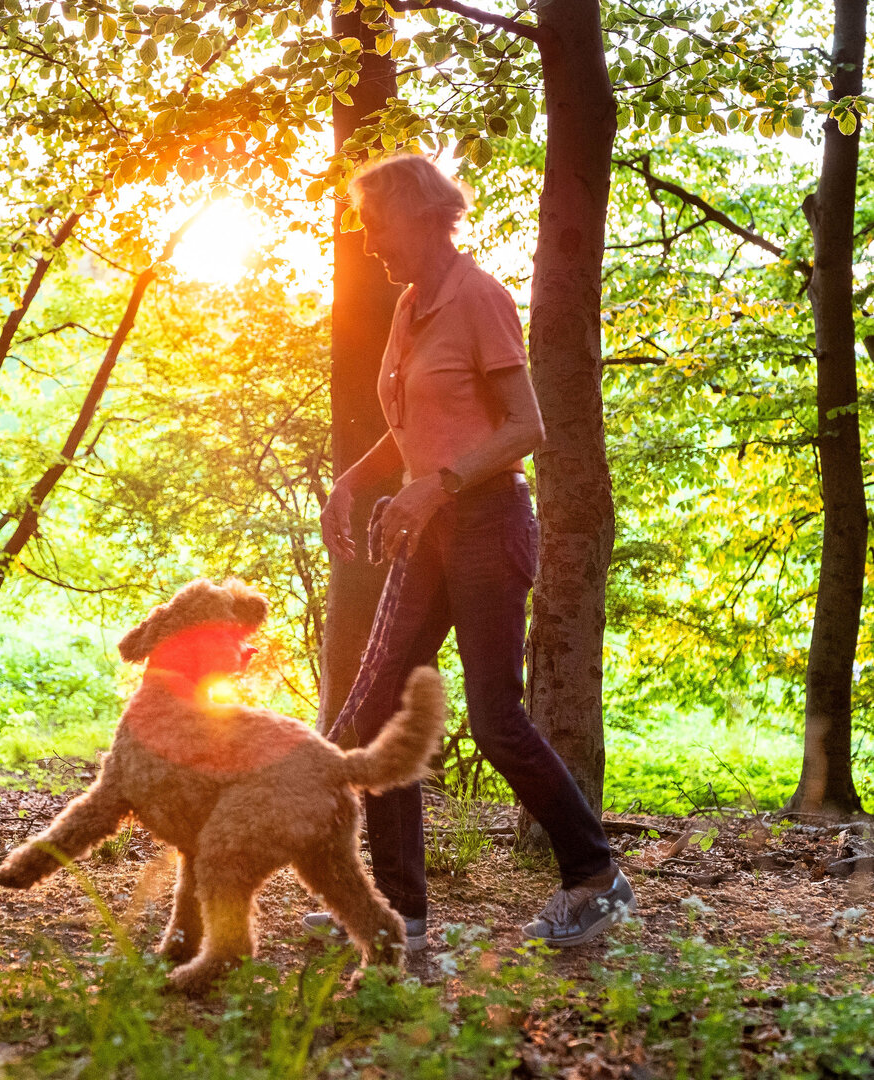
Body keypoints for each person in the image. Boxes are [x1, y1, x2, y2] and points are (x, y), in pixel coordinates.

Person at [305, 154, 633, 952]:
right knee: (382, 710)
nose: (368, 239)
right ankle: (398, 912)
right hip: (430, 528)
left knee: (494, 718)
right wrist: (352, 483)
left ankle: (595, 876)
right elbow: (412, 423)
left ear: (420, 215)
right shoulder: (410, 306)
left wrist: (434, 487)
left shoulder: (478, 297)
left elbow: (527, 427)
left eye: (375, 222)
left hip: (486, 522)